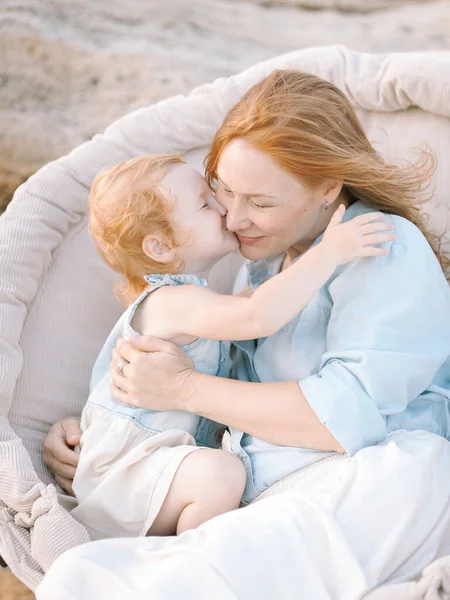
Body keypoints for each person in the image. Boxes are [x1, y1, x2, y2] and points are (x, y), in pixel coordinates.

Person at [38, 70, 450, 599]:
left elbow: (343, 415)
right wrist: (105, 430)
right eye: (223, 192)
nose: (233, 218)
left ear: (328, 186)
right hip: (260, 485)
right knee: (83, 575)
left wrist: (180, 388)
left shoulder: (380, 248)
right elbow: (216, 376)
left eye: (259, 201)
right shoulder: (263, 262)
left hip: (368, 472)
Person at [73, 152, 390, 540]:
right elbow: (258, 315)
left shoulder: (200, 302)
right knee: (220, 473)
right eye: (206, 204)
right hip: (127, 473)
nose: (225, 209)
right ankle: (187, 562)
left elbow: (256, 306)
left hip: (158, 469)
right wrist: (328, 253)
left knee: (218, 472)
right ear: (160, 247)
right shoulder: (172, 302)